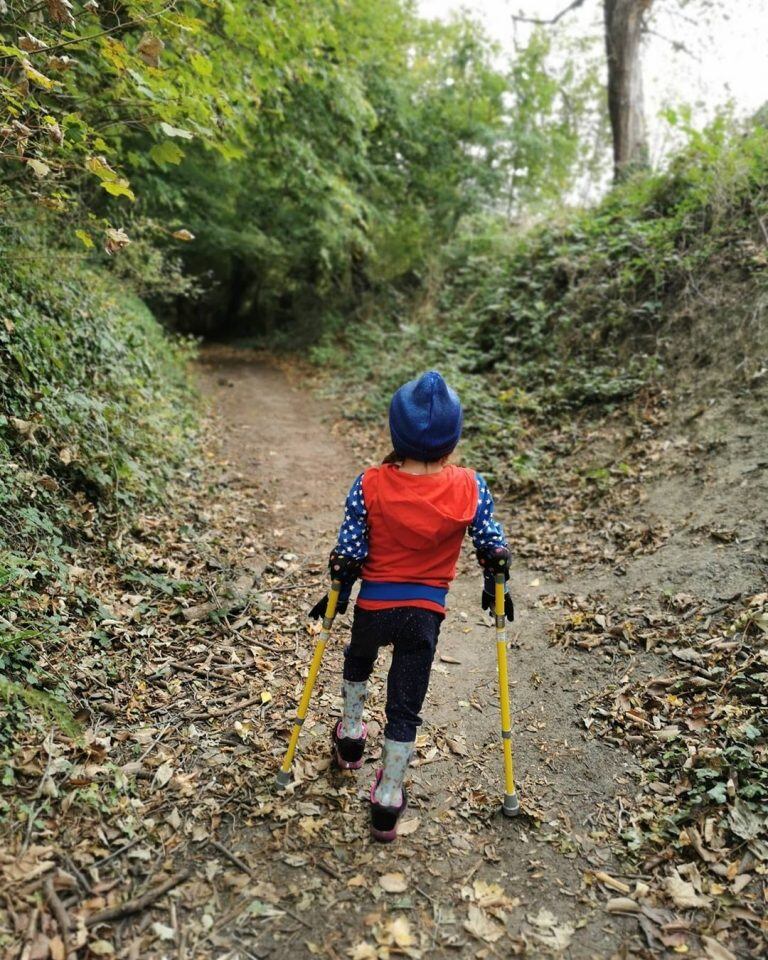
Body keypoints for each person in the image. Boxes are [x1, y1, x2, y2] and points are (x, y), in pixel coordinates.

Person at [309, 370, 514, 842]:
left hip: (374, 607)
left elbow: (351, 551)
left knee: (358, 660)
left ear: (396, 433)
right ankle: (389, 795)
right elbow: (491, 544)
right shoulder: (470, 487)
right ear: (452, 437)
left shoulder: (370, 484)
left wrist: (338, 579)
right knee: (406, 704)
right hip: (424, 614)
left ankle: (352, 733)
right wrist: (495, 576)